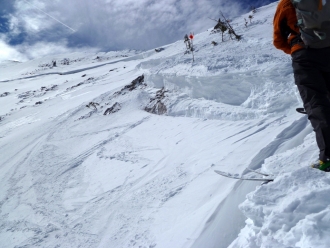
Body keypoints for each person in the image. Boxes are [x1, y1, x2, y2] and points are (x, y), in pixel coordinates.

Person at [273, 0, 330, 171]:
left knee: (316, 102)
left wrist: (296, 48)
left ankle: (328, 158)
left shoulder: (287, 3)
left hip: (304, 54)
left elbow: (278, 39)